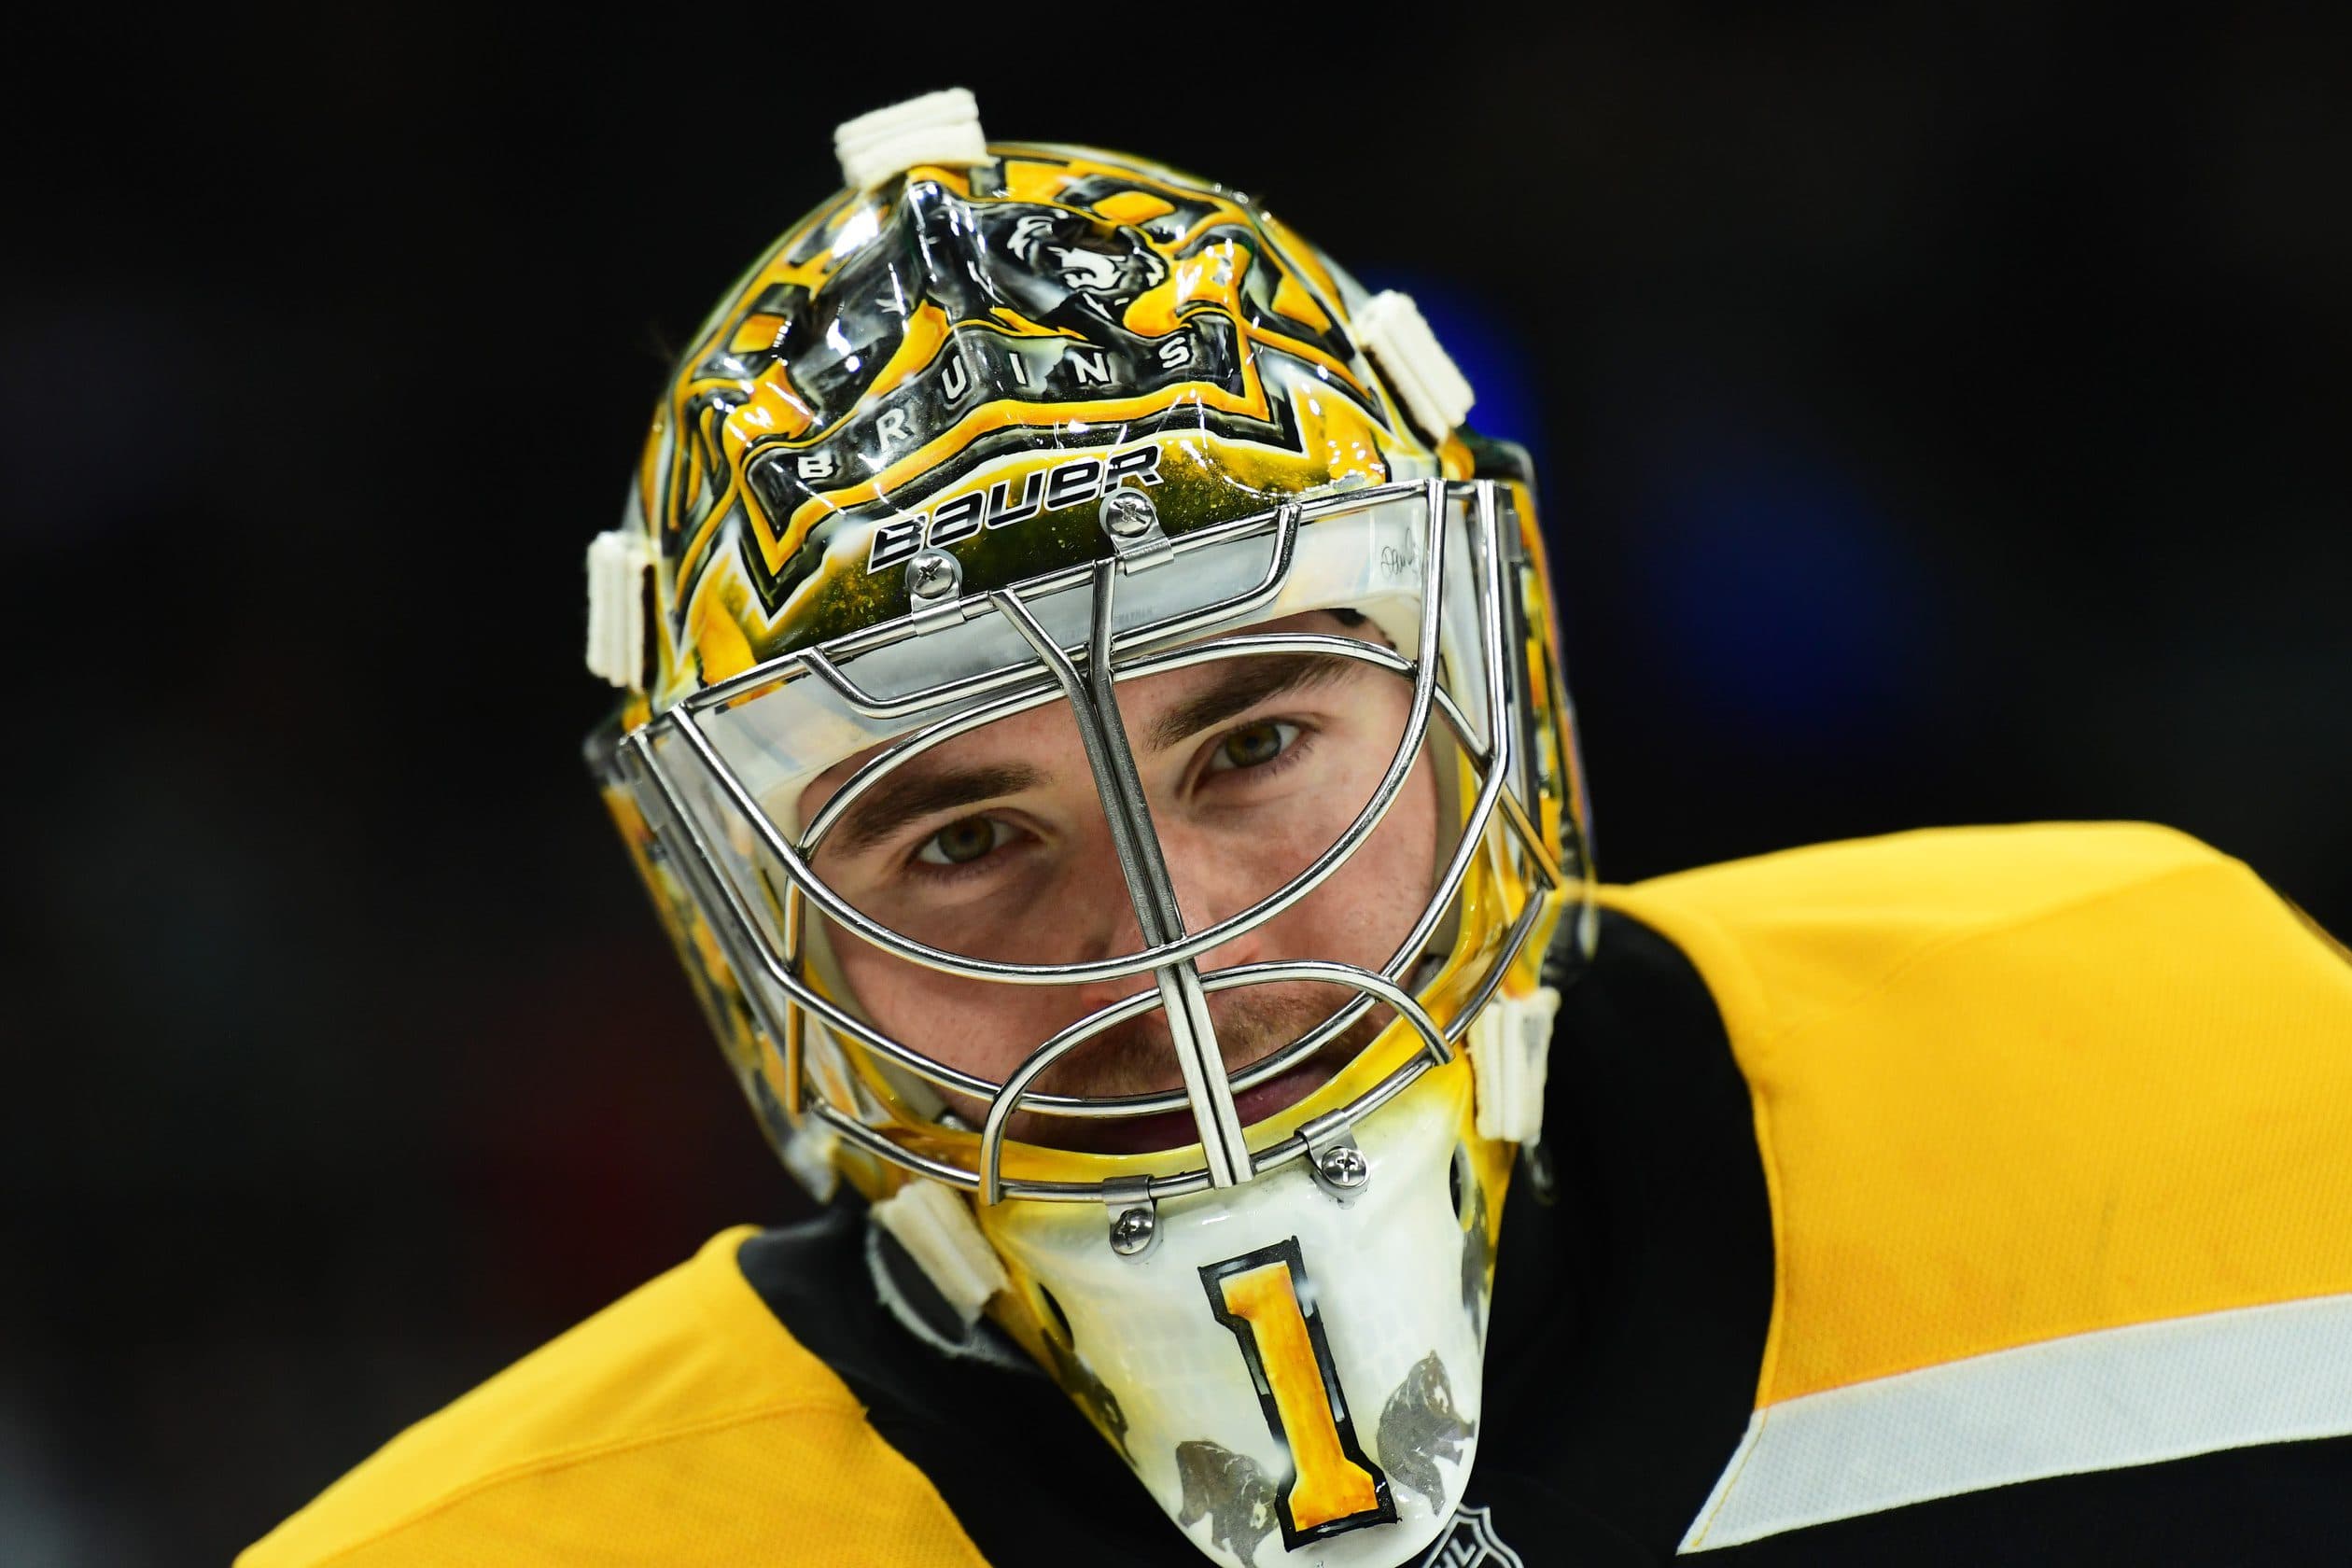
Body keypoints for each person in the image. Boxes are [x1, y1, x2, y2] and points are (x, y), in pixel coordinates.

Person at [239, 90, 2352, 1567]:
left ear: (1476, 700)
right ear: (752, 925)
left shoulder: (2190, 1049)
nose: (1174, 943)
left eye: (1250, 744)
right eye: (963, 841)